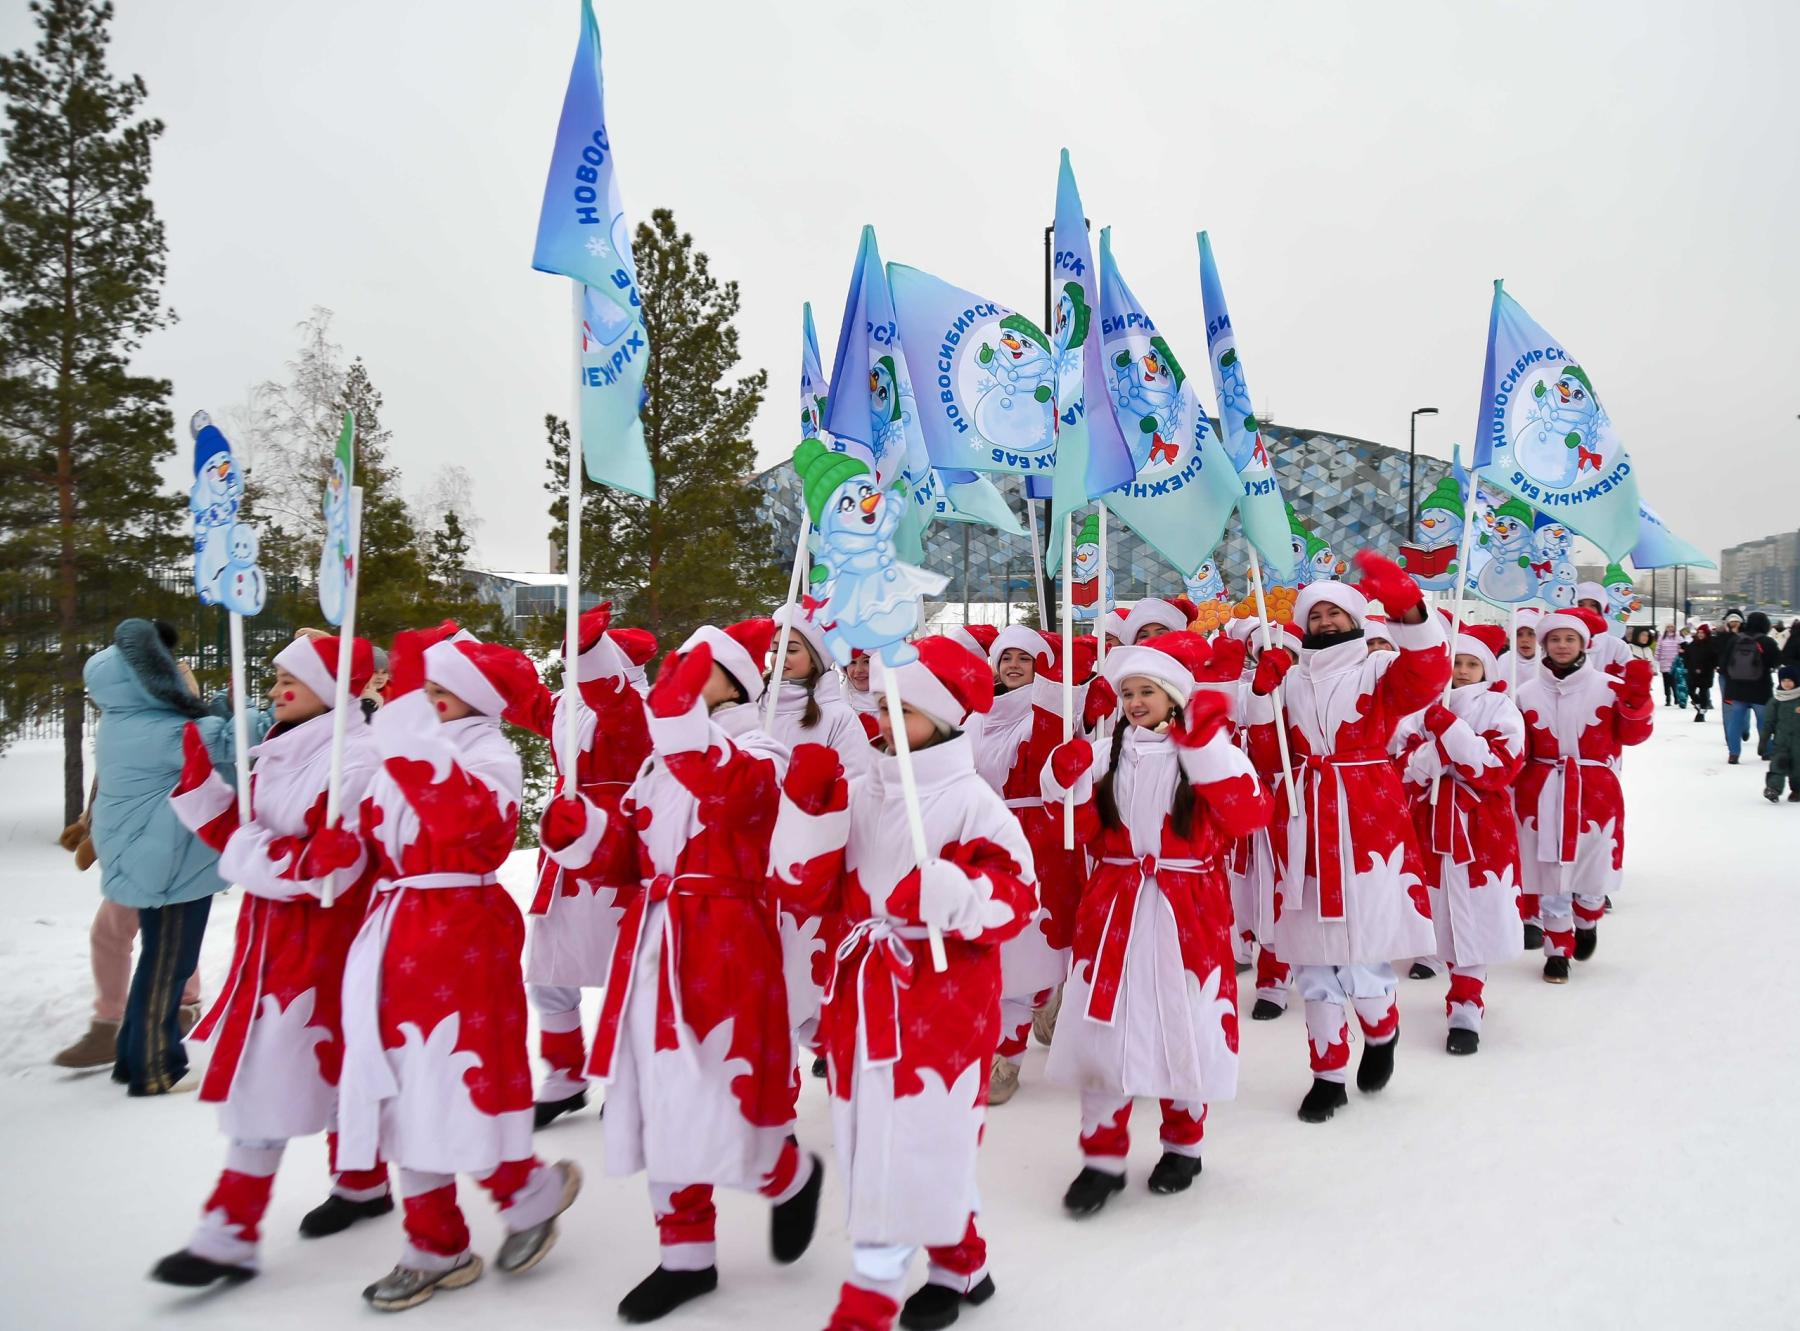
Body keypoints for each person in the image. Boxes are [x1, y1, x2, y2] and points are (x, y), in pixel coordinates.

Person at [543, 621, 823, 1325]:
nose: (679, 677)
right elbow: (628, 860)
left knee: (720, 1092)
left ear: (733, 681)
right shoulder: (655, 766)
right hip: (652, 942)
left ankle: (788, 1176)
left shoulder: (757, 746)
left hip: (726, 939)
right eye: (677, 666)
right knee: (658, 1094)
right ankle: (685, 1256)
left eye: (698, 668)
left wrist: (676, 728)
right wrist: (583, 836)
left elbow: (738, 799)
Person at [770, 637, 1036, 1331]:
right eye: (883, 706)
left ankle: (872, 1292)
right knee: (874, 1134)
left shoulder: (974, 800)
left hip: (941, 999)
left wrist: (955, 892)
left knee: (924, 1135)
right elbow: (806, 886)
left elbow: (1018, 895)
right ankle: (964, 1260)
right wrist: (806, 809)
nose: (885, 721)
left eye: (905, 709)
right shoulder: (864, 791)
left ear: (945, 719)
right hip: (863, 997)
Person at [335, 627, 581, 1311]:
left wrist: (406, 741)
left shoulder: (491, 756)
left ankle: (524, 1192)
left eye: (439, 692)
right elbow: (378, 841)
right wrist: (336, 851)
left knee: (464, 1078)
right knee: (403, 1083)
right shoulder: (398, 758)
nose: (424, 701)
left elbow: (469, 822)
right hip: (396, 934)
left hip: (463, 932)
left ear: (470, 700)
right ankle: (434, 1243)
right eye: (425, 691)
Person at [151, 632, 394, 1287]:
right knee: (337, 1063)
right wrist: (207, 797)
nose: (279, 683)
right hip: (275, 942)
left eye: (298, 674)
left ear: (337, 687)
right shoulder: (286, 753)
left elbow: (328, 872)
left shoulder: (355, 759)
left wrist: (260, 854)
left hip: (323, 946)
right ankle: (363, 1180)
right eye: (279, 671)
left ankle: (228, 1230)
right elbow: (257, 844)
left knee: (269, 1076)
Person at [1039, 632, 1270, 1215]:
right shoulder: (1105, 751)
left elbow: (1248, 813)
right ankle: (1101, 1157)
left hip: (1187, 906)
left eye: (1147, 691)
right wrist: (1061, 783)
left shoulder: (1209, 753)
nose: (1135, 701)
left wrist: (1205, 749)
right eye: (1127, 692)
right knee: (1106, 1025)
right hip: (1114, 904)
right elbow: (1081, 832)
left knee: (1183, 1019)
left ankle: (1183, 1142)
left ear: (1174, 696)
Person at [1243, 553, 1450, 1123]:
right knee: (1312, 961)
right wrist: (1261, 696)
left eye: (1337, 612)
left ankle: (1381, 1031)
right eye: (1317, 614)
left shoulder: (1378, 669)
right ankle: (1327, 1074)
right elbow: (1265, 755)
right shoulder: (1287, 676)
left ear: (1358, 618)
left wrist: (1410, 610)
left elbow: (1429, 676)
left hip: (1367, 824)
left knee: (1362, 952)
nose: (1326, 622)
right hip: (1303, 827)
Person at [81, 618, 263, 1096]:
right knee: (167, 967)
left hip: (151, 859)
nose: (183, 675)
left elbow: (209, 744)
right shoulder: (164, 731)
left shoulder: (127, 721)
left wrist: (219, 707)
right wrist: (248, 708)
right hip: (170, 866)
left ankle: (131, 1059)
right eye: (173, 670)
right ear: (150, 680)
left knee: (159, 961)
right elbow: (232, 744)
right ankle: (154, 1069)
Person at [515, 604, 657, 1128]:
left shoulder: (641, 707)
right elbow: (516, 693)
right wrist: (455, 645)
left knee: (630, 974)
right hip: (563, 852)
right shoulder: (565, 708)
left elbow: (616, 707)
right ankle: (564, 1076)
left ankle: (630, 1077)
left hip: (620, 852)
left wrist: (585, 648)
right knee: (548, 973)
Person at [964, 626, 1090, 1106]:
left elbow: (1048, 756)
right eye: (1006, 657)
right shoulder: (976, 715)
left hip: (1040, 841)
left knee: (1028, 947)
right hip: (984, 842)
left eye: (1025, 658)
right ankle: (1042, 1001)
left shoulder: (1049, 716)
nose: (1013, 665)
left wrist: (1061, 691)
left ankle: (1007, 1055)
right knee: (995, 949)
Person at [1392, 624, 1525, 1055]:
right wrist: (1437, 751)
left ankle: (1467, 1000)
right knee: (1436, 908)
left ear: (1485, 667)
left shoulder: (1500, 707)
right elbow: (1401, 764)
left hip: (1480, 826)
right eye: (1456, 664)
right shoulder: (1420, 706)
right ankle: (1437, 963)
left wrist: (1450, 734)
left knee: (1477, 908)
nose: (1463, 672)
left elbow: (1497, 766)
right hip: (1428, 824)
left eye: (1472, 664)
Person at [1513, 611, 1654, 982]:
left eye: (1569, 639)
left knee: (1592, 866)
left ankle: (1588, 918)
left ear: (1584, 644)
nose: (1562, 646)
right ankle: (1557, 950)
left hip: (1594, 791)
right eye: (1555, 639)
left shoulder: (1609, 687)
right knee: (1550, 873)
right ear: (1545, 644)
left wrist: (1637, 701)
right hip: (1541, 788)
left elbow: (1634, 736)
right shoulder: (1526, 692)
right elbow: (1517, 745)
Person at [767, 603, 878, 1076]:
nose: (779, 656)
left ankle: (832, 1050)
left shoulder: (836, 717)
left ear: (814, 655)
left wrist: (809, 801)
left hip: (808, 864)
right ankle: (785, 1092)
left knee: (798, 981)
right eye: (774, 647)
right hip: (755, 861)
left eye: (791, 648)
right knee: (769, 984)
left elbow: (856, 787)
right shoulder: (755, 705)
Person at [1716, 611, 1781, 764]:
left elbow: (1724, 664)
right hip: (1761, 689)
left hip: (1736, 689)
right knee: (1764, 721)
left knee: (1735, 721)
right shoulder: (1767, 641)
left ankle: (1734, 753)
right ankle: (1767, 751)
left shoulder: (1735, 640)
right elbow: (1776, 661)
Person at [1574, 583, 1632, 675]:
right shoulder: (1561, 642)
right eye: (1580, 604)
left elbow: (1627, 680)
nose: (1586, 610)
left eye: (1593, 605)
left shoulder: (1617, 647)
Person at [1767, 669, 1800, 804]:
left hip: (1798, 741)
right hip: (1781, 740)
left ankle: (1797, 790)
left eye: (1790, 681)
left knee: (1797, 767)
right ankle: (1773, 789)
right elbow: (1769, 721)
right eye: (1784, 681)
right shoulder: (1776, 700)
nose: (1786, 684)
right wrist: (1764, 738)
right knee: (1778, 764)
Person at [1684, 624, 1716, 722]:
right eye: (1699, 632)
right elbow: (1687, 657)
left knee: (1703, 692)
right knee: (1690, 690)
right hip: (1693, 672)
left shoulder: (1711, 644)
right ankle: (1698, 704)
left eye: (1702, 633)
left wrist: (1705, 668)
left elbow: (1714, 659)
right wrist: (1690, 667)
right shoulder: (1692, 644)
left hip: (1706, 672)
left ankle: (1701, 712)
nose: (1700, 634)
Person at [1655, 625, 1683, 707]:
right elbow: (1658, 648)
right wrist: (1656, 658)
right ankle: (1667, 699)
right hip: (1664, 662)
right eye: (1668, 627)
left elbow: (1683, 646)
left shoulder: (1678, 637)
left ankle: (1676, 698)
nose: (1670, 629)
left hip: (1674, 662)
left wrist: (1681, 655)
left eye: (1672, 627)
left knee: (1674, 681)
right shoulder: (1661, 638)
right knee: (1666, 682)